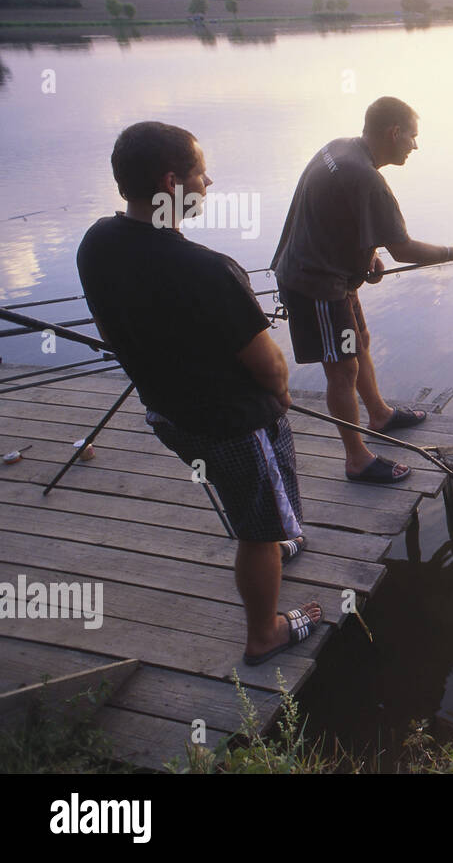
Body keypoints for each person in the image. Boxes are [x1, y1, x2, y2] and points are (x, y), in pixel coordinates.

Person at [77, 120, 321, 666]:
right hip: (235, 425)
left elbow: (111, 332)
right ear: (171, 182)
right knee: (258, 529)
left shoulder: (97, 242)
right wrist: (279, 400)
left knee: (244, 500)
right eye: (200, 173)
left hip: (167, 416)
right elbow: (272, 367)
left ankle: (275, 538)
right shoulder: (210, 271)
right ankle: (266, 631)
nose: (208, 182)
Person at [271, 96, 453, 484]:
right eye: (412, 138)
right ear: (394, 133)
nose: (415, 146)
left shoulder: (339, 148)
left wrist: (365, 253)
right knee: (341, 367)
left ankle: (379, 414)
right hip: (314, 281)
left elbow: (334, 210)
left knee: (360, 341)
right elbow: (403, 250)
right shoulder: (368, 179)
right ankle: (357, 458)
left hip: (332, 270)